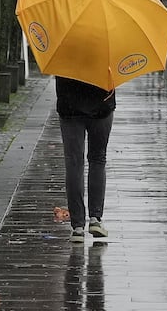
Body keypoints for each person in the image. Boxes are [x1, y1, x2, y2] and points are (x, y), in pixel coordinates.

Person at [55, 76, 115, 243]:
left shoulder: (62, 50)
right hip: (101, 103)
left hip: (70, 105)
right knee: (98, 159)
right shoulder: (107, 49)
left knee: (74, 163)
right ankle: (95, 218)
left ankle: (78, 227)